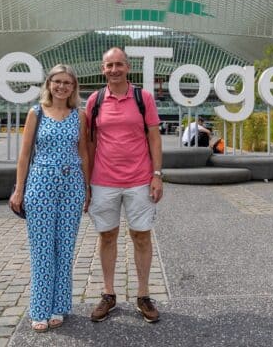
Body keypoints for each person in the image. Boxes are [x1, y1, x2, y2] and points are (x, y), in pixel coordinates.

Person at [9, 64, 89, 333]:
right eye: (57, 81)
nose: (62, 86)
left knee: (65, 250)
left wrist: (87, 188)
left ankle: (59, 305)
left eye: (68, 82)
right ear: (49, 84)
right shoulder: (36, 112)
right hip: (41, 183)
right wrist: (19, 189)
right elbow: (24, 154)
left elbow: (84, 153)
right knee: (42, 250)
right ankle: (40, 308)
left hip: (72, 185)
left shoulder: (79, 114)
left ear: (73, 87)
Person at [86, 47, 163, 323]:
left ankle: (143, 295)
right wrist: (87, 183)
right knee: (107, 236)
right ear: (102, 68)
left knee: (141, 236)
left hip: (139, 180)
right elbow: (90, 143)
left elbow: (154, 137)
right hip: (104, 181)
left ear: (128, 67)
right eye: (109, 65)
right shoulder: (94, 101)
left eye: (119, 64)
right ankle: (108, 294)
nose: (114, 69)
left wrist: (157, 174)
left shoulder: (143, 98)